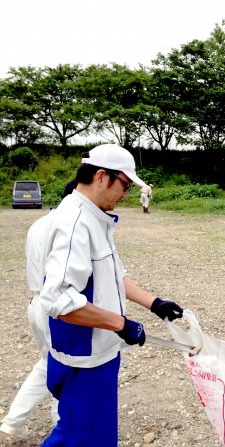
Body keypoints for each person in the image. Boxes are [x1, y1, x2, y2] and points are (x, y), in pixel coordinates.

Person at [33, 144, 184, 447]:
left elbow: (115, 276)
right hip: (82, 355)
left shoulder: (94, 218)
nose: (126, 193)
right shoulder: (74, 224)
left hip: (98, 351)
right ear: (102, 177)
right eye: (125, 185)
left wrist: (155, 303)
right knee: (83, 436)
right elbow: (59, 300)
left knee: (80, 432)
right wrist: (120, 324)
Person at [0, 213, 60, 439]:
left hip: (37, 302)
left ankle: (14, 421)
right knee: (64, 361)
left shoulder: (38, 223)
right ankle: (60, 418)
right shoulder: (69, 223)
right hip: (57, 307)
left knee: (48, 362)